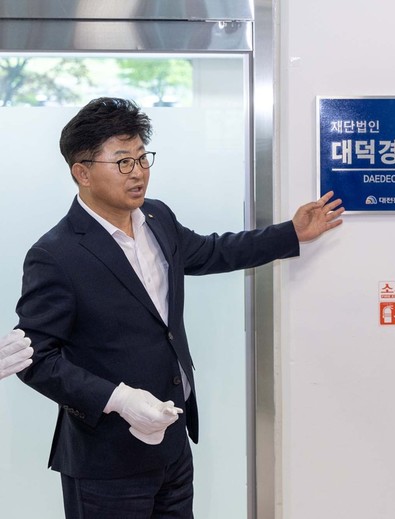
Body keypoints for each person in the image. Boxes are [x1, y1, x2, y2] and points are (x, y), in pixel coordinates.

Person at [16, 97, 344, 518]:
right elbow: (36, 360)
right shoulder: (55, 254)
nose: (138, 172)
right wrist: (118, 398)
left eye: (142, 158)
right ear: (82, 172)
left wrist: (291, 234)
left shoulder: (157, 218)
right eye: (123, 162)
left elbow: (211, 251)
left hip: (172, 445)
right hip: (106, 458)